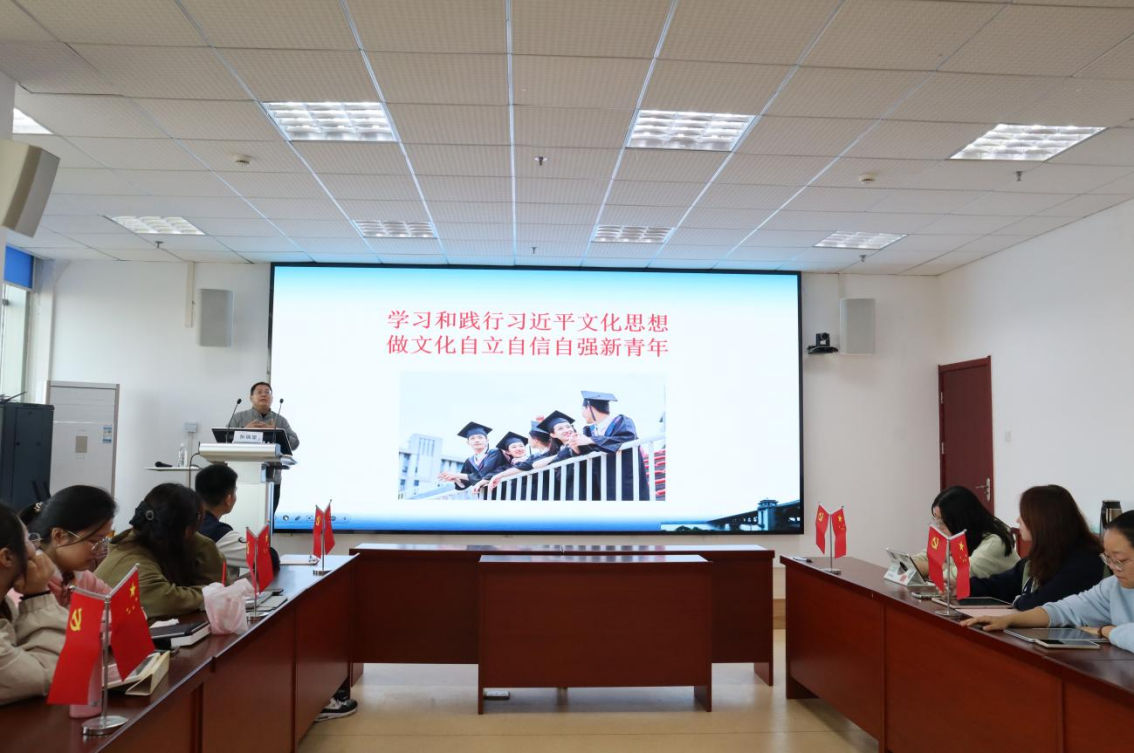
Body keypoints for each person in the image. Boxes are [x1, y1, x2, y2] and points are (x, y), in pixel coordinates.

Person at [963, 511, 1134, 653]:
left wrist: (1105, 631)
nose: (1113, 567)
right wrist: (1009, 620)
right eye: (1108, 558)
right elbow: (1063, 609)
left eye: (1120, 560)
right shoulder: (1112, 587)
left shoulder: (1082, 561)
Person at [95, 483, 227, 623]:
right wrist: (212, 592)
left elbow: (222, 584)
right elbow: (166, 601)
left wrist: (195, 539)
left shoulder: (153, 543)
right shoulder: (131, 558)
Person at [968, 485, 1104, 609]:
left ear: (1042, 520)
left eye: (1024, 514)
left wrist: (1019, 600)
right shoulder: (1042, 555)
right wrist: (964, 587)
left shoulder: (1083, 561)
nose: (1017, 520)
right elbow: (1001, 584)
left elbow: (1040, 603)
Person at [0, 504, 68, 705]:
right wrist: (38, 596)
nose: (36, 548)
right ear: (6, 557)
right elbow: (47, 674)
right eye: (29, 539)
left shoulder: (5, 604)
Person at [18, 486, 117, 607]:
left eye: (104, 540)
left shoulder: (79, 575)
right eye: (94, 541)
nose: (100, 550)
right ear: (59, 536)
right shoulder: (27, 582)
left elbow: (117, 603)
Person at [913, 486, 1018, 581]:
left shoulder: (994, 543)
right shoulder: (955, 536)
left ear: (960, 520)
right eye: (936, 519)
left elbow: (955, 578)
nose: (938, 527)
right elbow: (912, 563)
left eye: (941, 521)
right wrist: (943, 567)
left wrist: (929, 567)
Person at [575, 391, 650, 501]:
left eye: (582, 409)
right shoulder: (589, 431)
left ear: (589, 407)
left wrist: (591, 440)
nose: (581, 413)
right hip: (602, 482)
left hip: (625, 479)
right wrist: (575, 445)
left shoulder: (622, 421)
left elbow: (626, 438)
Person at [438, 422, 509, 494]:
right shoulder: (470, 461)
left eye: (480, 437)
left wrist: (456, 474)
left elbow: (483, 476)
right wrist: (456, 479)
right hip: (485, 496)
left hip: (505, 492)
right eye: (472, 438)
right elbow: (463, 486)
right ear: (468, 443)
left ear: (487, 440)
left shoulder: (495, 453)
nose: (476, 440)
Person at [489, 421, 553, 500]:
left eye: (521, 446)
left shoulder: (534, 458)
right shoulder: (506, 466)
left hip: (537, 493)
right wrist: (483, 481)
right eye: (514, 447)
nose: (518, 449)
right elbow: (492, 474)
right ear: (508, 452)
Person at [227, 381, 299, 451]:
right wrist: (244, 430)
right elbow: (224, 439)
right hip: (243, 458)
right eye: (259, 392)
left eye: (267, 392)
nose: (263, 395)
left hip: (272, 459)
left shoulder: (281, 420)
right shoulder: (238, 417)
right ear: (251, 398)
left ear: (272, 398)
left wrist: (279, 433)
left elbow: (295, 444)